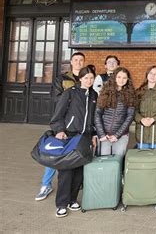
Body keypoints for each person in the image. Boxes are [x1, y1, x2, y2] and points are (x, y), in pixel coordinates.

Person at [35, 52, 85, 201]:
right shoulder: (62, 79)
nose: (78, 62)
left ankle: (77, 182)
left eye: (81, 60)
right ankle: (46, 184)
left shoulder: (86, 78)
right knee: (55, 153)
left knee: (76, 152)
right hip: (64, 121)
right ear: (71, 62)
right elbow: (57, 100)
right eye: (76, 60)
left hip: (80, 123)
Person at [49, 66, 97, 218]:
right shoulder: (69, 93)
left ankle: (72, 200)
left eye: (91, 78)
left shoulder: (94, 95)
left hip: (85, 137)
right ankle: (61, 204)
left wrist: (94, 135)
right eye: (86, 78)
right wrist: (59, 130)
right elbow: (58, 115)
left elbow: (94, 118)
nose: (89, 80)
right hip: (69, 136)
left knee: (79, 171)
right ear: (80, 78)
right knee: (66, 171)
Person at [95, 67, 136, 157]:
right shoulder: (105, 92)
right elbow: (97, 114)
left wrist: (117, 135)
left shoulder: (130, 95)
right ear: (114, 77)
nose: (121, 80)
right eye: (119, 77)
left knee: (117, 164)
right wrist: (102, 134)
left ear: (128, 79)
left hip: (121, 136)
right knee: (103, 164)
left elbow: (130, 117)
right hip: (104, 136)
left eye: (124, 78)